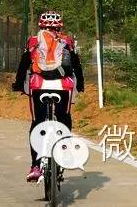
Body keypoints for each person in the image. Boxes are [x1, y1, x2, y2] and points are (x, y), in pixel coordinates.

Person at [11, 10, 85, 182]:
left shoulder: (34, 41)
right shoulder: (67, 41)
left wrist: (17, 84)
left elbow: (23, 65)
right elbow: (76, 65)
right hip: (63, 86)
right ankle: (65, 150)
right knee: (64, 117)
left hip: (38, 85)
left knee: (37, 122)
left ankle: (35, 166)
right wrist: (80, 85)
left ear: (40, 26)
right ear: (60, 26)